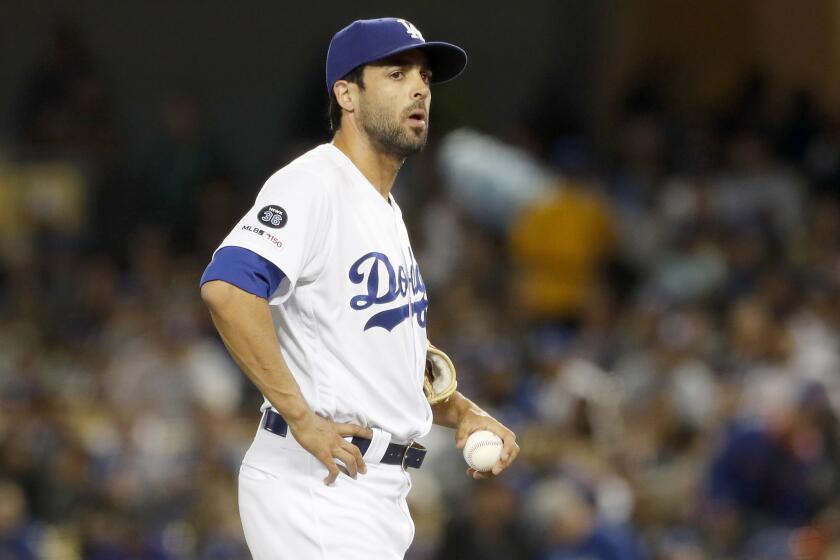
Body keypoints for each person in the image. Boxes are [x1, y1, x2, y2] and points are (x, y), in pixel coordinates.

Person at [199, 17, 520, 559]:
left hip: (370, 490)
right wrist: (302, 418)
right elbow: (227, 289)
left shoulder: (384, 208)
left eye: (423, 76)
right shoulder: (314, 183)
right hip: (316, 485)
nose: (419, 87)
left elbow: (377, 366)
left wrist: (462, 411)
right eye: (396, 74)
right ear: (346, 94)